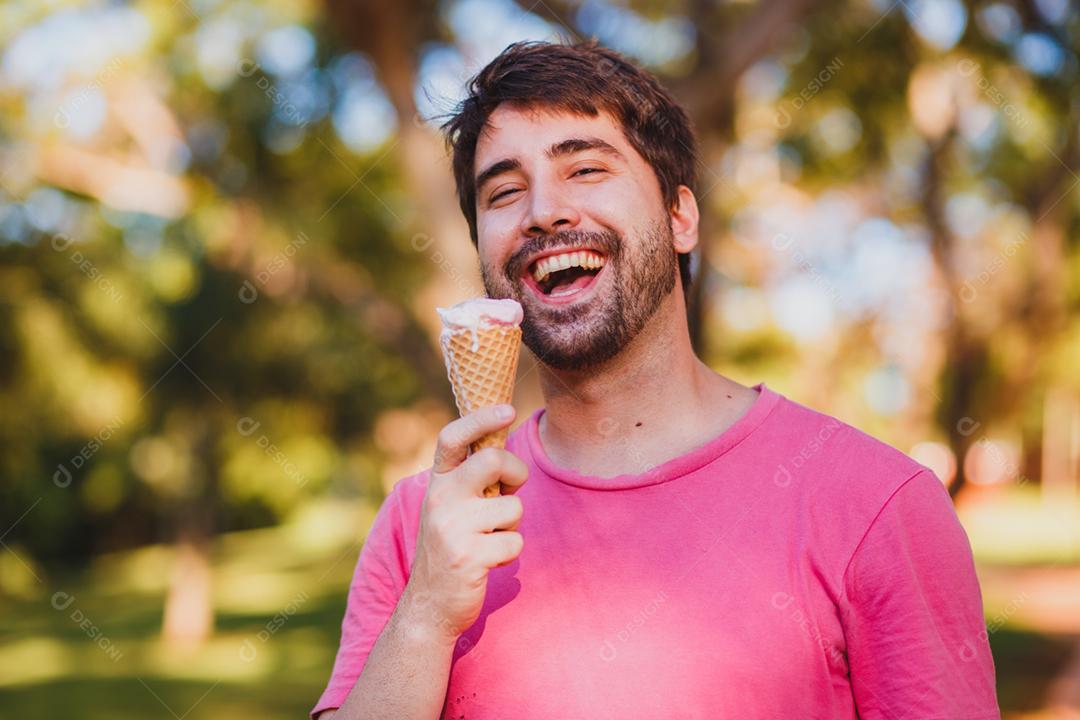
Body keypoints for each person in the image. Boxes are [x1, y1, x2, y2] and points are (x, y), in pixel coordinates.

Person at [312, 40, 1000, 719]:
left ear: (680, 217)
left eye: (584, 169)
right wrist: (427, 614)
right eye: (505, 190)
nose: (543, 212)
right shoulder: (421, 525)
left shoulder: (879, 508)